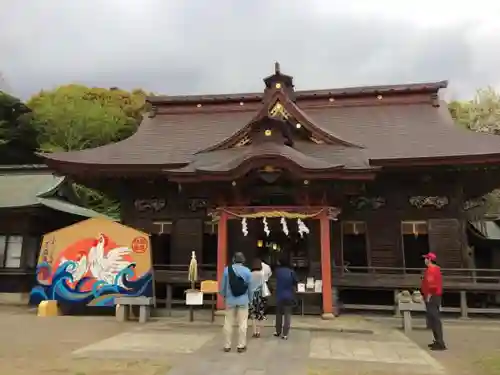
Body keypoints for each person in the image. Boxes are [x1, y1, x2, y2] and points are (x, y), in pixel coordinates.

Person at [220, 252, 253, 353]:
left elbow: (223, 287)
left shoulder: (227, 271)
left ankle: (227, 345)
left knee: (228, 322)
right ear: (243, 260)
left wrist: (224, 296)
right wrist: (250, 299)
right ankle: (241, 345)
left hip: (230, 300)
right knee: (242, 323)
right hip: (243, 300)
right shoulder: (247, 271)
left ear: (234, 259)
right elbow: (250, 288)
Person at [421, 252, 447, 351]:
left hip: (432, 296)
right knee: (432, 318)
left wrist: (428, 296)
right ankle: (437, 340)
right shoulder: (435, 269)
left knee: (434, 318)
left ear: (430, 259)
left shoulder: (431, 270)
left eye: (426, 258)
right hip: (434, 296)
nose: (425, 260)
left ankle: (440, 342)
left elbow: (432, 285)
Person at [274, 255, 297, 340]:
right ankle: (285, 334)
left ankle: (277, 331)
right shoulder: (291, 272)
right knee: (287, 315)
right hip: (289, 295)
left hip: (279, 295)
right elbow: (295, 282)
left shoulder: (277, 271)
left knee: (279, 314)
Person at [249, 258, 266, 337]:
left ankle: (254, 332)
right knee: (260, 314)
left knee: (253, 314)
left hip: (252, 296)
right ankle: (259, 332)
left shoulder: (250, 274)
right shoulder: (261, 274)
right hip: (260, 296)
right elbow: (263, 286)